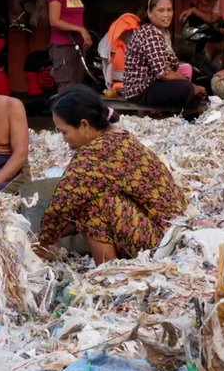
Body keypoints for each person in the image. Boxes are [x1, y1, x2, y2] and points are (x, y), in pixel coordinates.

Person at [33, 85, 187, 265]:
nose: (63, 138)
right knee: (87, 201)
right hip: (172, 230)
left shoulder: (96, 154)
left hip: (163, 241)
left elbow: (61, 205)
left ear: (84, 125)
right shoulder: (118, 136)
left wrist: (41, 243)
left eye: (64, 132)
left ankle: (108, 269)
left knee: (93, 207)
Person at [121, 0, 205, 108]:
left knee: (193, 75)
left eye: (169, 10)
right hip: (141, 91)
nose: (166, 15)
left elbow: (172, 65)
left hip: (155, 84)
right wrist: (191, 85)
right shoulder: (150, 33)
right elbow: (164, 73)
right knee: (186, 89)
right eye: (161, 11)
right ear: (149, 13)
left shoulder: (163, 32)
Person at [47, 0, 92, 94]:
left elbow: (75, 18)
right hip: (63, 46)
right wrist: (80, 29)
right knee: (65, 90)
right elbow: (54, 21)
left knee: (77, 90)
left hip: (76, 47)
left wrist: (85, 36)